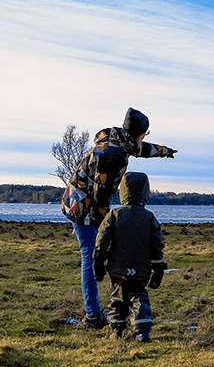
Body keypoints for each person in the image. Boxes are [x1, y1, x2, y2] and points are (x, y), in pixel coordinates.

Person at [64, 108, 176, 329]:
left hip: (78, 199)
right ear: (140, 132)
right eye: (146, 133)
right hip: (84, 207)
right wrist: (106, 225)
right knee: (90, 256)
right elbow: (101, 194)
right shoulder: (112, 155)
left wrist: (164, 151)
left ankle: (95, 311)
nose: (145, 137)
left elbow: (140, 149)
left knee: (92, 252)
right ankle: (94, 315)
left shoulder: (116, 138)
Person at [93, 172, 166, 342]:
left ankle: (117, 331)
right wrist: (158, 268)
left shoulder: (115, 215)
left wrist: (98, 261)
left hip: (117, 267)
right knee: (140, 297)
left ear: (122, 191)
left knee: (118, 297)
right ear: (145, 192)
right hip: (141, 268)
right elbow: (157, 246)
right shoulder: (149, 217)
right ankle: (142, 332)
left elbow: (102, 239)